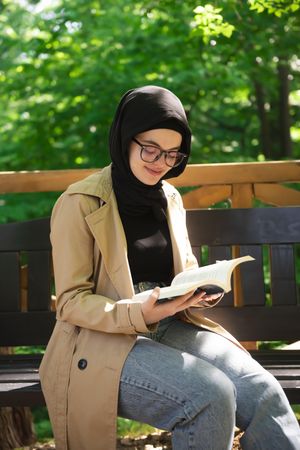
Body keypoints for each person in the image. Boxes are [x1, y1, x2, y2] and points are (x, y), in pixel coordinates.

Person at [39, 85, 300, 450]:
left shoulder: (169, 196)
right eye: (150, 149)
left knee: (262, 390)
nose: (160, 162)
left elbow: (183, 268)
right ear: (125, 139)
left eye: (172, 154)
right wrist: (136, 311)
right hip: (102, 340)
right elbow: (70, 302)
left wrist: (198, 290)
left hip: (172, 323)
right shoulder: (79, 202)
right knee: (210, 394)